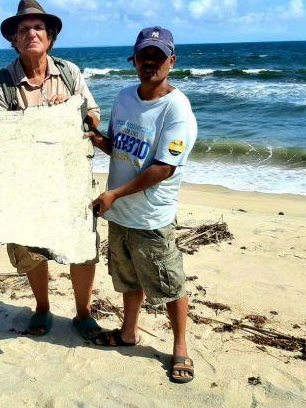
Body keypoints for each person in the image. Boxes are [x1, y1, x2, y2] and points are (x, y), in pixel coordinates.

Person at [0, 0, 102, 339]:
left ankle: (83, 313)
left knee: (82, 247)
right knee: (29, 249)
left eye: (38, 27)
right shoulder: (2, 83)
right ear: (14, 39)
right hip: (26, 183)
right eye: (23, 29)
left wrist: (72, 109)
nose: (31, 34)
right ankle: (42, 307)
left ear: (50, 36)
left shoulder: (69, 73)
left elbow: (94, 117)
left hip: (70, 178)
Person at [86, 27, 197, 383]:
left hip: (151, 217)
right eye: (144, 55)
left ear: (172, 61)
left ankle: (180, 347)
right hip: (119, 213)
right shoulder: (123, 97)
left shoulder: (177, 109)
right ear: (133, 60)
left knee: (170, 283)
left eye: (158, 56)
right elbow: (120, 146)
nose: (150, 62)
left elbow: (164, 168)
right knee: (127, 278)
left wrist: (114, 194)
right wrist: (97, 140)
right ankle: (128, 332)